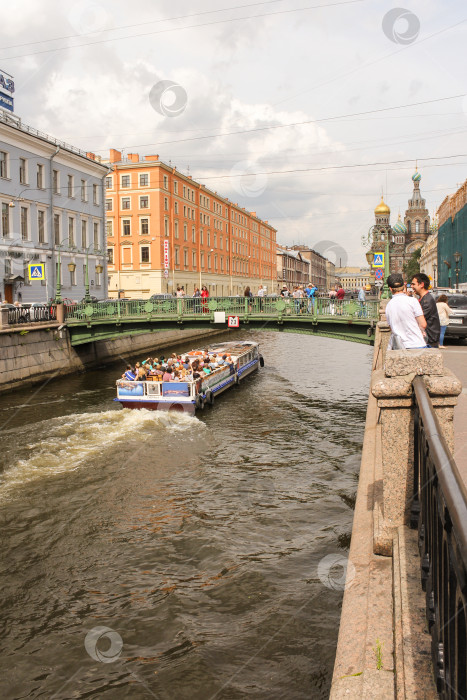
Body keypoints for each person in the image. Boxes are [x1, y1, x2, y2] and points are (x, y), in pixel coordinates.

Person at [385, 273, 427, 349]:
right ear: (403, 286)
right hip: (417, 344)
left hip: (400, 347)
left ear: (390, 289)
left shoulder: (389, 305)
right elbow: (423, 324)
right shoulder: (413, 301)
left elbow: (391, 327)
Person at [411, 273, 440, 348]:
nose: (411, 286)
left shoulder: (427, 301)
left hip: (429, 340)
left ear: (421, 284)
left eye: (413, 284)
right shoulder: (424, 299)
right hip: (427, 339)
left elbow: (418, 319)